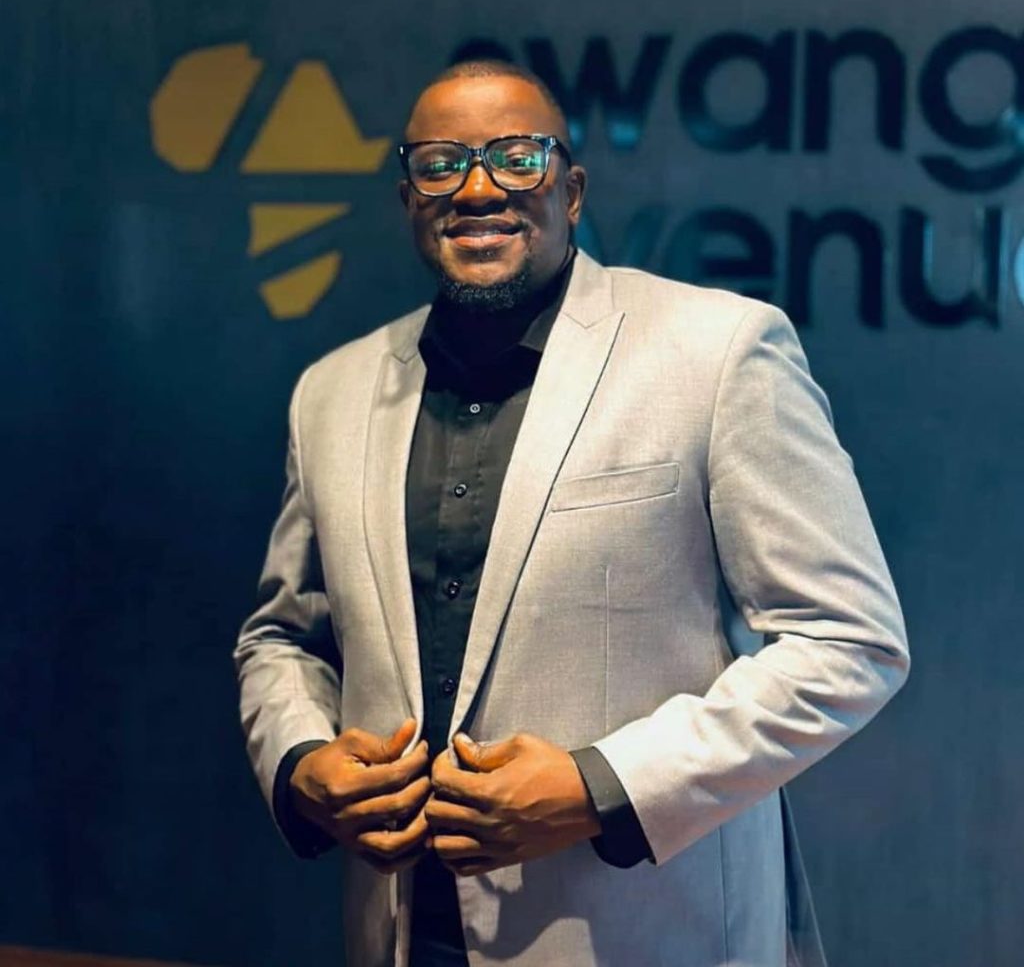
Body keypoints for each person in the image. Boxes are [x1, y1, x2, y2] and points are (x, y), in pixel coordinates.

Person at [234, 60, 909, 967]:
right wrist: (299, 763)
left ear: (572, 190)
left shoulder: (719, 351)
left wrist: (602, 787)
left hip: (645, 931)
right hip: (398, 929)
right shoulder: (332, 390)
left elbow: (849, 642)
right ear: (408, 198)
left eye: (518, 157)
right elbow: (283, 637)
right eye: (441, 165)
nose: (478, 189)